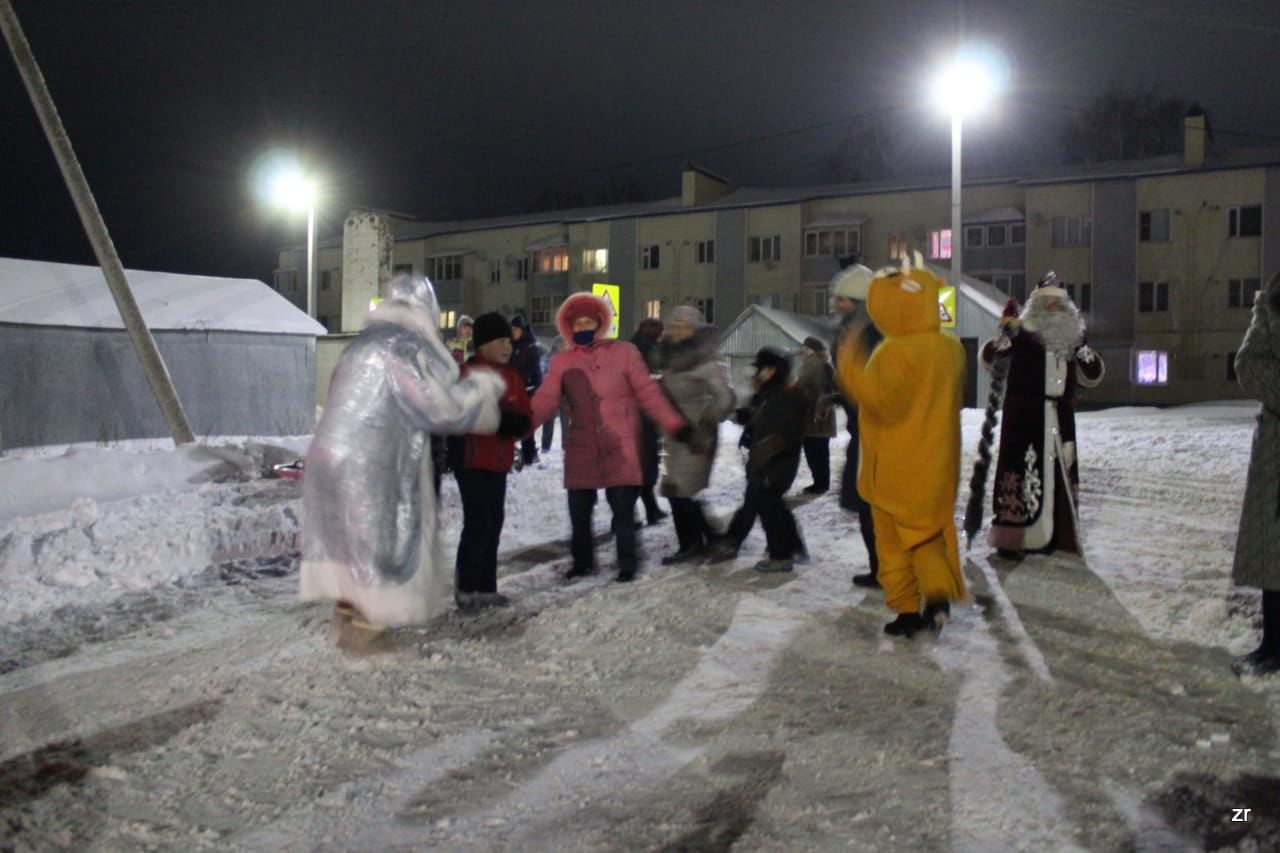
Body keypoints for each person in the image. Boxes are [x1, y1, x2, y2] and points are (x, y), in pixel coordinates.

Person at [300, 275, 503, 628]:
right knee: (378, 554)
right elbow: (438, 409)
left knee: (349, 554)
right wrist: (480, 394)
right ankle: (367, 642)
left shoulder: (362, 343)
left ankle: (351, 621)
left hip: (331, 460)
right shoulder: (402, 346)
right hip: (370, 467)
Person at [836, 255, 966, 637]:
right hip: (939, 462)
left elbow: (881, 401)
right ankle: (937, 597)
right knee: (927, 536)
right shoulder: (949, 348)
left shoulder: (895, 351)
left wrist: (849, 365)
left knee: (894, 542)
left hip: (894, 465)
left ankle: (910, 609)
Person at [529, 292, 691, 582]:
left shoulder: (625, 352)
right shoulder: (563, 362)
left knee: (623, 511)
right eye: (576, 323)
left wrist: (674, 424)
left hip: (620, 443)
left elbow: (648, 393)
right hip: (582, 446)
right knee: (579, 512)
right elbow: (545, 400)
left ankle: (627, 563)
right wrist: (517, 429)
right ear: (568, 327)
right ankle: (583, 562)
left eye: (588, 321)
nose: (582, 328)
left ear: (600, 322)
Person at [981, 274, 1104, 556]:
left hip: (1060, 419)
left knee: (1059, 477)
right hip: (1025, 419)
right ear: (1036, 306)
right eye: (1047, 304)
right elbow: (991, 358)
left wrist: (1082, 347)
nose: (1053, 310)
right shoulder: (1021, 333)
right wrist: (1005, 331)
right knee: (1024, 475)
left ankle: (1059, 537)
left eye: (1058, 305)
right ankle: (1015, 539)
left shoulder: (1073, 338)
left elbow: (1093, 373)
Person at [450, 313, 533, 611]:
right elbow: (458, 416)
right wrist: (495, 421)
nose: (508, 347)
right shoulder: (467, 374)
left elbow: (526, 417)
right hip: (472, 460)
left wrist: (516, 425)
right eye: (500, 341)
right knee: (477, 523)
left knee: (494, 522)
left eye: (509, 341)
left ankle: (486, 588)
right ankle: (466, 590)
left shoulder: (512, 377)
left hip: (498, 462)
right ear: (483, 344)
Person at [711, 346, 811, 572]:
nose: (760, 373)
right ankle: (793, 547)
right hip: (766, 460)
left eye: (765, 369)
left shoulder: (789, 395)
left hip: (776, 462)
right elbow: (762, 419)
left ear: (777, 370)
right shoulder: (770, 393)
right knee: (772, 504)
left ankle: (780, 555)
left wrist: (768, 453)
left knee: (767, 507)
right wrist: (746, 416)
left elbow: (789, 432)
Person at [656, 306, 736, 563]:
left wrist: (706, 422)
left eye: (685, 326)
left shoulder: (705, 361)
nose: (678, 331)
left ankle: (694, 544)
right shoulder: (668, 357)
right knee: (677, 491)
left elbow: (725, 397)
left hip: (697, 438)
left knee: (681, 491)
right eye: (675, 325)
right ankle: (708, 539)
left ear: (696, 331)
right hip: (675, 434)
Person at [1230, 271, 1280, 676]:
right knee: (1273, 547)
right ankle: (1273, 644)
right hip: (1276, 448)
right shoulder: (1272, 303)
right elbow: (1247, 365)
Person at [830, 260, 882, 587]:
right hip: (862, 427)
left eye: (842, 299)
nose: (836, 305)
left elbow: (870, 381)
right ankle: (882, 568)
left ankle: (886, 569)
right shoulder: (855, 331)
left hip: (873, 431)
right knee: (869, 505)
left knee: (873, 504)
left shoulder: (866, 333)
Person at [631, 317, 669, 525]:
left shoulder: (648, 346)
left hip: (647, 416)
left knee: (647, 465)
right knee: (643, 465)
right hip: (640, 416)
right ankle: (628, 513)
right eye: (658, 330)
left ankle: (650, 508)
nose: (660, 334)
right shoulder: (639, 349)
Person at [797, 336, 837, 495]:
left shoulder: (823, 365)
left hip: (819, 415)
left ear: (815, 349)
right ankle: (818, 481)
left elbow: (827, 390)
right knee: (811, 451)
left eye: (807, 347)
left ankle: (822, 483)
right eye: (804, 347)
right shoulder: (808, 364)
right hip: (808, 414)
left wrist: (821, 411)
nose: (804, 350)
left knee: (819, 452)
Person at [508, 314, 543, 467]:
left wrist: (523, 382)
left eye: (515, 329)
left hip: (528, 389)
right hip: (513, 389)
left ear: (521, 330)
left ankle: (529, 453)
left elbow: (532, 369)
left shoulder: (529, 346)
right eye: (511, 329)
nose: (513, 332)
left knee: (525, 423)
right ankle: (513, 453)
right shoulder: (511, 345)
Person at [539, 335, 568, 453]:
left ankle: (566, 446)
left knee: (566, 422)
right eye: (564, 346)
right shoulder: (546, 359)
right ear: (557, 347)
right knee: (548, 422)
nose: (566, 348)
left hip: (565, 395)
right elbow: (542, 376)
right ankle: (545, 446)